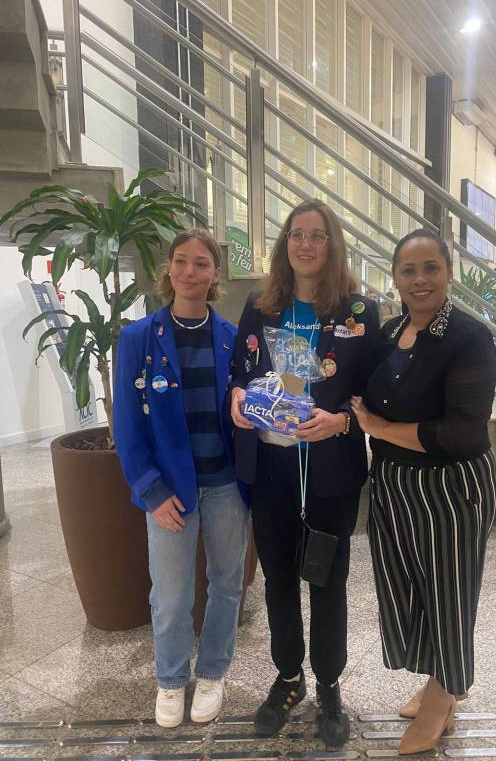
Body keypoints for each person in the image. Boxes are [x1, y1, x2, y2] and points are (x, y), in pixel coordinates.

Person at [230, 199, 379, 747]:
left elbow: (372, 393)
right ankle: (289, 678)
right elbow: (240, 371)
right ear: (284, 244)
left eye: (318, 235)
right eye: (297, 234)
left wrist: (341, 422)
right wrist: (238, 396)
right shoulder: (261, 305)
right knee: (277, 580)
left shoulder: (359, 313)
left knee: (328, 583)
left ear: (332, 245)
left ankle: (330, 684)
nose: (306, 244)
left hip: (330, 474)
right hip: (271, 470)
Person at [350, 228, 496, 755]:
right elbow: (363, 395)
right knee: (411, 590)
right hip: (394, 485)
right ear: (395, 277)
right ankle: (440, 677)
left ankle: (444, 695)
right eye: (408, 270)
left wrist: (380, 430)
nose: (420, 280)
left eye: (431, 267)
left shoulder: (468, 337)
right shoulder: (390, 332)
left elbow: (462, 431)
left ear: (449, 273)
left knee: (449, 594)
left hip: (449, 489)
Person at [114, 228, 249, 728]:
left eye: (201, 263)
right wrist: (151, 490)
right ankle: (170, 680)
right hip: (169, 489)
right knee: (170, 594)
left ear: (215, 274)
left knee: (226, 584)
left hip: (227, 485)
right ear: (168, 269)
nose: (190, 272)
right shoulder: (138, 338)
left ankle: (212, 672)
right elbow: (127, 423)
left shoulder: (234, 338)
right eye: (181, 261)